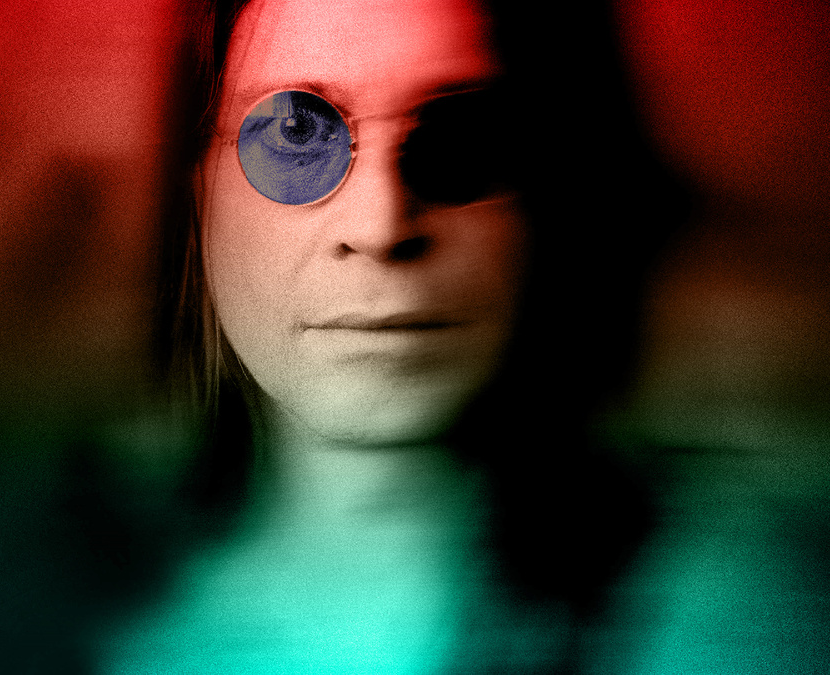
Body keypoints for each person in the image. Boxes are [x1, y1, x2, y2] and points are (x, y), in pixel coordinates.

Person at [55, 0, 690, 672]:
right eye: (297, 130)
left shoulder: (732, 616)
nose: (381, 225)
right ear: (195, 194)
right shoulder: (72, 625)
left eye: (463, 134)